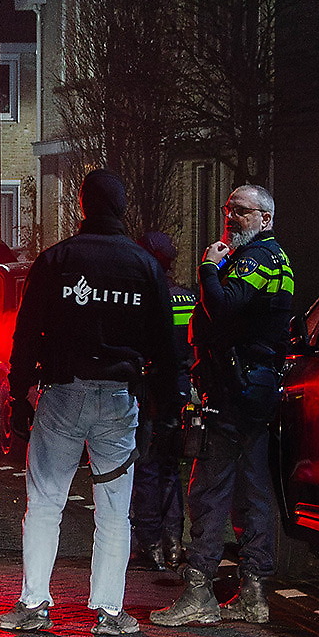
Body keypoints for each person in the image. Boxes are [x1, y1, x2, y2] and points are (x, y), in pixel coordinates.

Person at [0, 169, 177, 636]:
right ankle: (111, 611)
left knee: (45, 501)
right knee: (115, 506)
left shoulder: (57, 260)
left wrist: (18, 394)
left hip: (64, 393)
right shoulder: (144, 266)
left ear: (81, 205)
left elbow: (26, 333)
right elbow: (166, 343)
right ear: (122, 208)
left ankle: (34, 602)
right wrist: (166, 407)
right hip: (119, 398)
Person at [151, 184, 293, 628]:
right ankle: (253, 591)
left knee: (209, 488)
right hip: (254, 387)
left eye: (243, 213)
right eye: (229, 210)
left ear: (265, 219)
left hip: (234, 392)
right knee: (252, 489)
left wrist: (209, 269)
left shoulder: (257, 259)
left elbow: (223, 307)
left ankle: (200, 591)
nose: (232, 218)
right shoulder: (276, 259)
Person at [131, 231, 196, 571]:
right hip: (182, 391)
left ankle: (149, 543)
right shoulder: (187, 298)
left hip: (151, 391)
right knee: (171, 469)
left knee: (147, 468)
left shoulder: (146, 300)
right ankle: (174, 542)